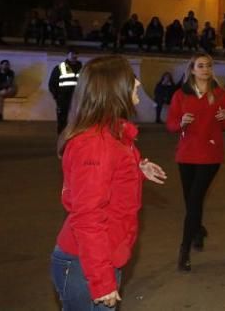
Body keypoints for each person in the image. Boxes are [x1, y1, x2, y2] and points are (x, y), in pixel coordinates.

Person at [51, 55, 167, 310]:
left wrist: (137, 166)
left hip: (99, 256)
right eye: (131, 78)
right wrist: (102, 282)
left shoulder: (111, 132)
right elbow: (88, 216)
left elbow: (112, 163)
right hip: (86, 263)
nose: (137, 83)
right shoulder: (95, 144)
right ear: (113, 89)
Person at [165, 54, 225, 272]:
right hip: (186, 155)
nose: (205, 69)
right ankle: (197, 230)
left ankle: (184, 250)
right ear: (192, 70)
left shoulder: (220, 94)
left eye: (208, 66)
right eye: (201, 66)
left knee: (195, 200)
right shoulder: (180, 95)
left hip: (210, 155)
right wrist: (181, 122)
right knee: (190, 201)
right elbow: (170, 124)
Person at [50, 50, 83, 134]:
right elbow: (52, 83)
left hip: (78, 99)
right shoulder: (60, 68)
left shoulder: (82, 68)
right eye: (72, 53)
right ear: (67, 55)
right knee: (62, 121)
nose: (74, 55)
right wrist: (57, 96)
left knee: (77, 121)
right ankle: (62, 140)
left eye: (76, 53)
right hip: (63, 99)